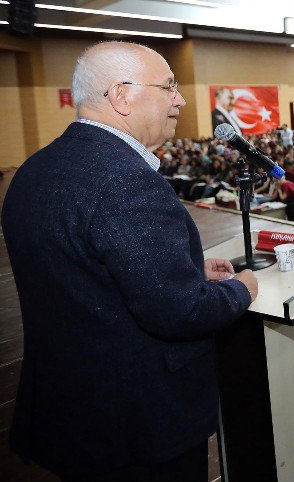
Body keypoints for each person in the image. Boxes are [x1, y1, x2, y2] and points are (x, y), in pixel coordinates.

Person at [2, 42, 258, 480]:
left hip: (72, 409)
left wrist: (187, 274)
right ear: (121, 95)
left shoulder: (34, 170)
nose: (180, 99)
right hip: (137, 423)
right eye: (168, 87)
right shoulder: (126, 182)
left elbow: (82, 276)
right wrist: (242, 289)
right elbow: (180, 312)